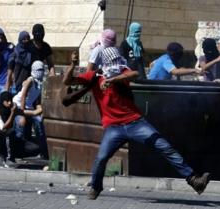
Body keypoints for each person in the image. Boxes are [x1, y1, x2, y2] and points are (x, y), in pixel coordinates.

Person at [63, 47, 211, 200]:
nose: (115, 64)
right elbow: (67, 81)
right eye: (111, 61)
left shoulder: (123, 70)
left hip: (135, 122)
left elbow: (134, 74)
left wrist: (113, 79)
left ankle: (194, 180)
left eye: (117, 60)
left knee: (164, 146)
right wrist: (73, 65)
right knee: (101, 158)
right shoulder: (95, 76)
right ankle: (96, 186)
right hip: (113, 127)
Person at [0, 91, 39, 167]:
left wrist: (39, 108)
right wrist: (13, 113)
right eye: (7, 101)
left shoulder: (11, 109)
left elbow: (30, 113)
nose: (9, 103)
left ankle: (13, 155)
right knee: (8, 135)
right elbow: (3, 128)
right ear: (3, 101)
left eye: (11, 100)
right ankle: (8, 159)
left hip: (12, 140)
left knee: (35, 148)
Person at [12, 61, 49, 160]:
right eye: (38, 70)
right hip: (19, 105)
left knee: (40, 124)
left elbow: (37, 98)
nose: (40, 72)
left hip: (29, 107)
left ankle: (44, 152)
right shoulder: (30, 80)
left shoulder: (40, 82)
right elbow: (23, 95)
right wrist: (23, 112)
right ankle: (16, 153)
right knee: (20, 126)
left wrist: (39, 106)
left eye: (42, 70)